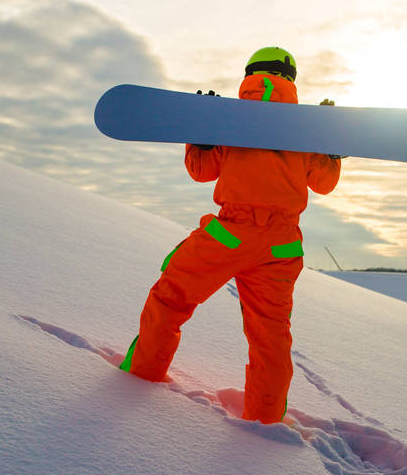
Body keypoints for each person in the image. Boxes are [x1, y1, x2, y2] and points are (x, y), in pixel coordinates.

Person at [120, 47, 342, 423]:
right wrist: (331, 149)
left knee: (170, 300)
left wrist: (200, 134)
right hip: (282, 246)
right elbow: (323, 183)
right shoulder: (307, 127)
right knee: (270, 336)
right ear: (291, 78)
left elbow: (202, 170)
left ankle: (140, 378)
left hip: (229, 234)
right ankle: (265, 419)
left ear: (250, 73)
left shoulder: (229, 119)